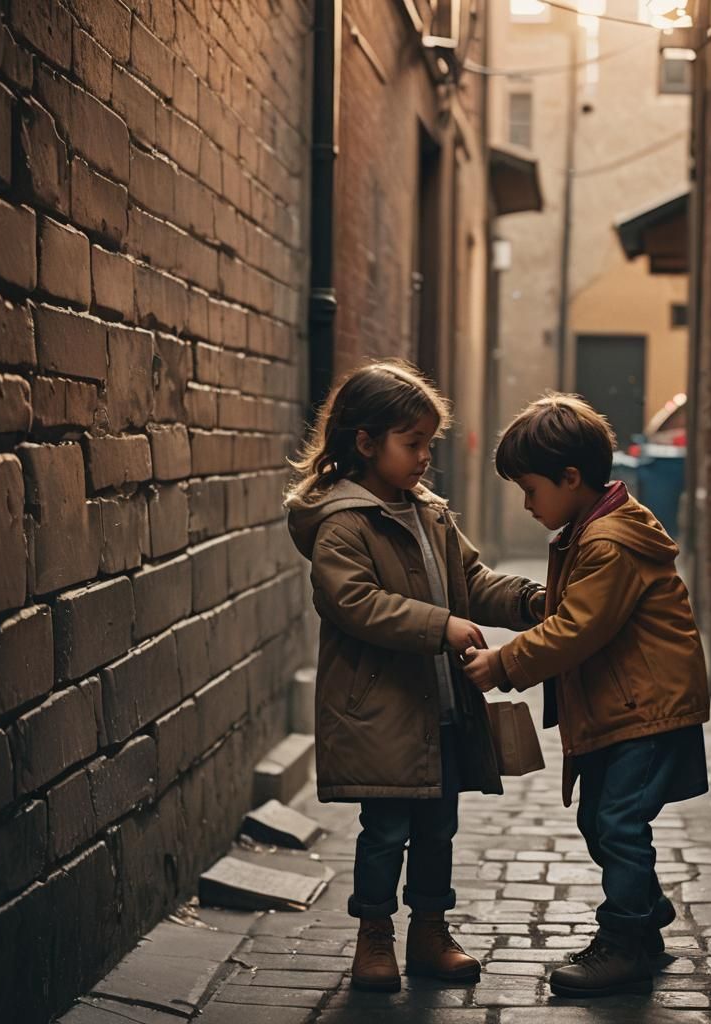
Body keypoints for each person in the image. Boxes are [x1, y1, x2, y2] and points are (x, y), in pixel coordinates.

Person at [285, 360, 545, 993]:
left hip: (442, 708)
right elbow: (353, 601)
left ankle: (431, 931)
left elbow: (473, 580)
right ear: (365, 443)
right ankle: (374, 938)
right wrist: (441, 626)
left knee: (438, 828)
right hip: (382, 712)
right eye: (413, 444)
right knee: (385, 833)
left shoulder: (428, 512)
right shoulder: (342, 522)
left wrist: (528, 602)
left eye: (430, 443)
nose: (426, 457)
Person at [463, 393, 710, 999]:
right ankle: (644, 918)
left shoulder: (606, 542)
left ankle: (625, 942)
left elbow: (577, 628)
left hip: (647, 710)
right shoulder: (589, 529)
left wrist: (504, 662)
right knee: (600, 822)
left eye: (530, 489)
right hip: (626, 706)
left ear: (571, 478)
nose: (526, 504)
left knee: (617, 824)